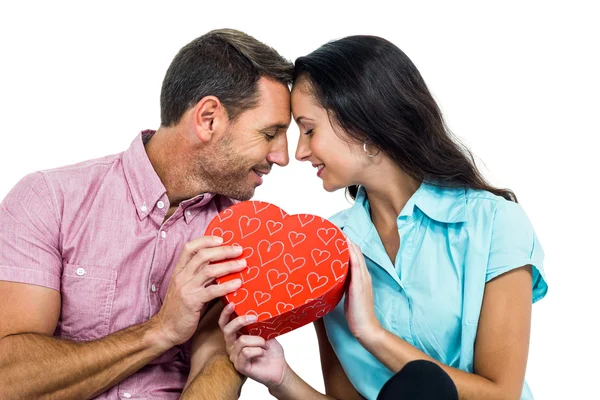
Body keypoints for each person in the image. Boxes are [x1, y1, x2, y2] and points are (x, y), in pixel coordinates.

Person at [219, 35, 548, 400]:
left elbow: (502, 395)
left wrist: (372, 333)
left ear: (361, 124)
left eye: (310, 130)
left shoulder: (495, 224)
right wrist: (281, 378)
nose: (300, 152)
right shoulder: (326, 250)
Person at [0, 28, 293, 399]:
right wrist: (161, 330)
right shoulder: (49, 199)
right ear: (208, 119)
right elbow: (7, 380)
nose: (282, 156)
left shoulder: (245, 236)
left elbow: (217, 367)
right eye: (270, 134)